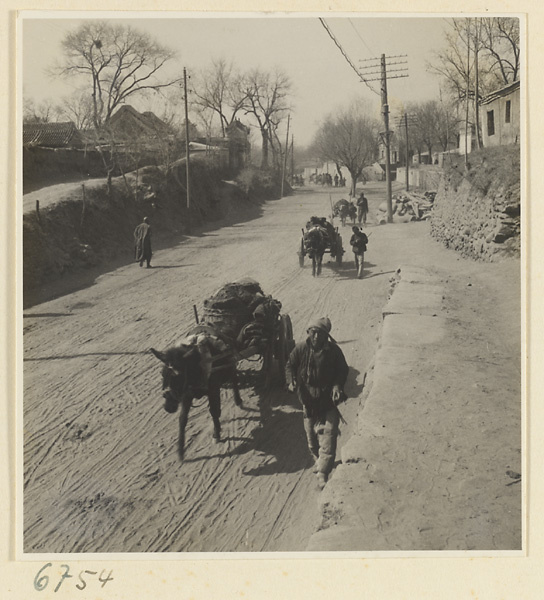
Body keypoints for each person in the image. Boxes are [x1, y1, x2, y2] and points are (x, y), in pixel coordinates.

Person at [286, 317, 349, 490]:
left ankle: (322, 473)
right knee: (312, 441)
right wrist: (291, 380)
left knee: (328, 434)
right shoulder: (300, 349)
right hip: (308, 402)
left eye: (320, 334)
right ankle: (319, 460)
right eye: (312, 332)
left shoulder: (334, 352)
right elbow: (290, 365)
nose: (315, 337)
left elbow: (343, 370)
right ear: (308, 333)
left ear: (326, 336)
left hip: (327, 401)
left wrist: (337, 385)